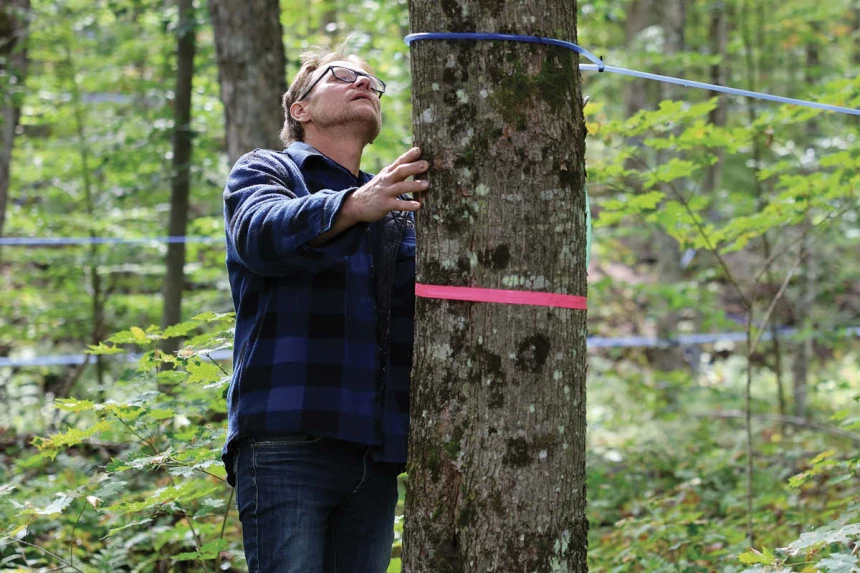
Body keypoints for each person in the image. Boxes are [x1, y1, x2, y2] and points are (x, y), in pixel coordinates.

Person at [220, 44, 428, 573]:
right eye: (342, 76)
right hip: (287, 439)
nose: (364, 84)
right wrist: (355, 206)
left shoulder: (395, 207)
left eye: (372, 83)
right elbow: (259, 236)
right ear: (301, 109)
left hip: (376, 453)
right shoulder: (266, 170)